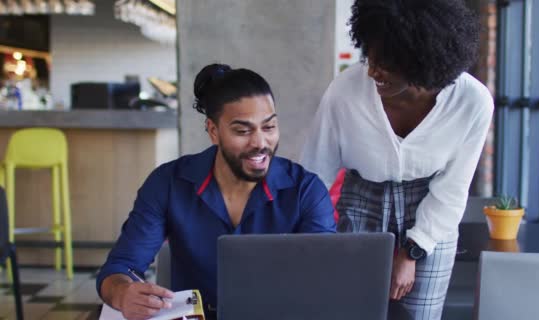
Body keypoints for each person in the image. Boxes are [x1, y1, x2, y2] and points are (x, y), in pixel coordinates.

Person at [300, 0, 493, 319]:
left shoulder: (471, 102)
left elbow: (452, 190)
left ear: (421, 60)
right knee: (351, 311)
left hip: (431, 208)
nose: (373, 71)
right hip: (362, 198)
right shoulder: (346, 92)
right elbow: (315, 171)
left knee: (420, 316)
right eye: (370, 58)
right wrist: (304, 240)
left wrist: (412, 252)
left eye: (386, 63)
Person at [97, 63, 336, 320]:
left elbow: (322, 279)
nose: (259, 143)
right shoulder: (168, 183)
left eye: (268, 127)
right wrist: (124, 293)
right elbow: (119, 268)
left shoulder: (305, 190)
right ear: (213, 131)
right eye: (242, 131)